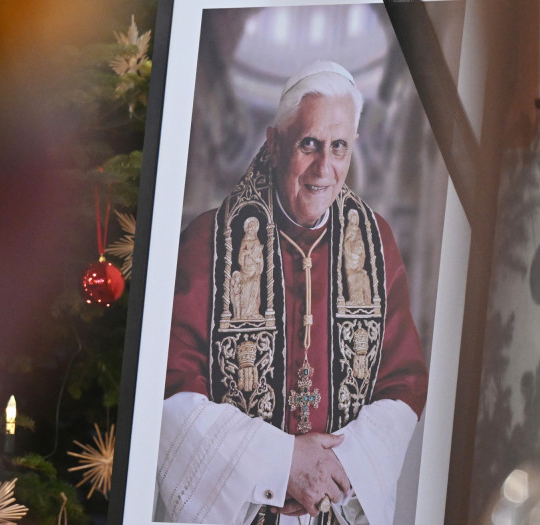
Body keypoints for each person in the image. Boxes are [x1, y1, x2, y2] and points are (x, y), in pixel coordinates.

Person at [155, 61, 428, 525]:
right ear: (275, 142)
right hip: (245, 508)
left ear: (353, 148)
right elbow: (173, 388)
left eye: (338, 147)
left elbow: (402, 382)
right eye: (309, 144)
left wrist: (336, 468)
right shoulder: (210, 242)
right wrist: (281, 463)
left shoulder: (375, 243)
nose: (324, 168)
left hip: (336, 505)